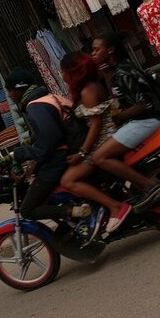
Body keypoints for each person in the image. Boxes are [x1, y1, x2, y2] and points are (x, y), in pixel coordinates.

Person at [90, 32, 160, 208]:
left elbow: (142, 105)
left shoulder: (123, 72)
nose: (93, 54)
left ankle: (148, 185)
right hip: (141, 120)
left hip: (145, 120)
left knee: (99, 157)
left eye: (96, 50)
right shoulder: (116, 69)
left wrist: (117, 117)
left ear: (110, 50)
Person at [59, 52, 132, 235]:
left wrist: (82, 153)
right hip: (107, 136)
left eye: (63, 71)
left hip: (103, 141)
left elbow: (96, 125)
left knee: (68, 180)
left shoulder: (87, 91)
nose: (62, 75)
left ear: (73, 72)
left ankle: (115, 206)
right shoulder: (93, 85)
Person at [5, 68, 88, 220]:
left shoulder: (36, 106)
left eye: (10, 90)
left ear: (19, 89)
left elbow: (50, 141)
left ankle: (72, 211)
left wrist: (18, 154)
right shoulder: (47, 98)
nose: (10, 95)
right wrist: (31, 141)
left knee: (27, 210)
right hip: (73, 146)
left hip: (60, 157)